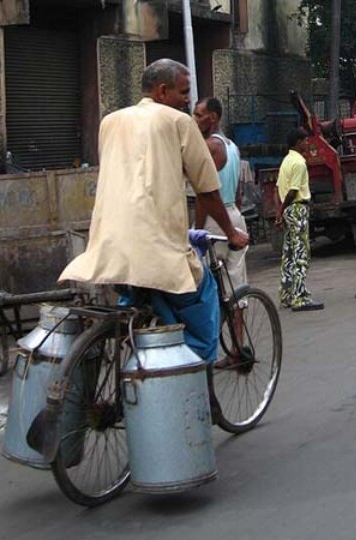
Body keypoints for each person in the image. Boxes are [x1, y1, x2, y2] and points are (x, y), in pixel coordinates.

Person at [59, 59, 248, 366]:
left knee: (135, 298)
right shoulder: (178, 122)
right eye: (184, 92)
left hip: (109, 248)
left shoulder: (110, 121)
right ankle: (197, 386)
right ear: (163, 91)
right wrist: (231, 233)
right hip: (157, 248)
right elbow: (207, 190)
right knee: (203, 303)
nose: (188, 100)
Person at [193, 96, 250, 368]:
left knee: (204, 287)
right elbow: (237, 190)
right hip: (234, 215)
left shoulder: (209, 146)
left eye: (199, 115)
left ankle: (208, 348)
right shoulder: (233, 146)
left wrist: (197, 228)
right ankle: (237, 347)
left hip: (216, 220)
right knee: (236, 288)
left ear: (212, 117)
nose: (195, 120)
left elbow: (205, 193)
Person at [275, 127, 324, 312]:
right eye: (304, 140)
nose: (307, 143)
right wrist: (281, 210)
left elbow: (278, 188)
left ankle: (286, 293)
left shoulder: (286, 161)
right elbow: (293, 190)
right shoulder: (299, 163)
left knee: (288, 253)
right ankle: (300, 296)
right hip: (297, 208)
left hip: (288, 210)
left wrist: (281, 211)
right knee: (301, 253)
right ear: (298, 142)